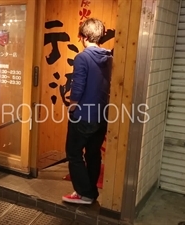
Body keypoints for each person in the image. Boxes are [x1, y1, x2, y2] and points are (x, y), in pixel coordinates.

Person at [62, 18, 112, 205]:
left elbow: (78, 87)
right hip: (102, 115)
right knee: (93, 154)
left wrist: (73, 106)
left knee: (74, 153)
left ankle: (84, 194)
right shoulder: (108, 58)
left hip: (83, 115)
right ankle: (91, 192)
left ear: (83, 37)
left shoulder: (82, 57)